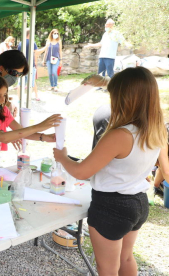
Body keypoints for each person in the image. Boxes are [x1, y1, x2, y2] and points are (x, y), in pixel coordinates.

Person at [53, 67, 169, 276]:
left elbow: (81, 172)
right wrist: (104, 81)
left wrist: (62, 157)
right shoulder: (156, 126)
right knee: (126, 258)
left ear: (124, 98)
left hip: (111, 207)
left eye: (114, 95)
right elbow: (136, 88)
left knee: (107, 270)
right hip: (139, 202)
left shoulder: (119, 135)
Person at [0, 73, 60, 177]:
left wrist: (44, 137)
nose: (3, 100)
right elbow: (3, 137)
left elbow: (21, 131)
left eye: (5, 95)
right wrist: (39, 126)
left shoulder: (2, 111)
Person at [18, 28, 45, 101]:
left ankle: (19, 99)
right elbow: (37, 52)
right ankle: (28, 99)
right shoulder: (32, 42)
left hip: (21, 66)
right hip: (30, 66)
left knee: (20, 83)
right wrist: (45, 48)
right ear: (29, 34)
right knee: (31, 83)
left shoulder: (20, 43)